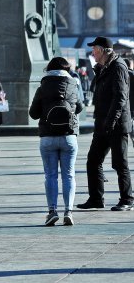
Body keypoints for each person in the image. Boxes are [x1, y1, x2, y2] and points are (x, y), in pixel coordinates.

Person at [77, 37, 133, 211]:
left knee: (119, 163)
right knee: (93, 160)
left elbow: (120, 98)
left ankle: (127, 199)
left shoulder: (118, 67)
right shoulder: (103, 68)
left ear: (102, 51)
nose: (92, 53)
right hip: (102, 123)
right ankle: (96, 199)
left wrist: (111, 121)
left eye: (94, 50)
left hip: (116, 124)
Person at [29, 57, 83, 226]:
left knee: (50, 175)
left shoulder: (43, 86)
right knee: (69, 175)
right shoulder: (73, 84)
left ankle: (52, 211)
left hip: (48, 137)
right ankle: (69, 211)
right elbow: (80, 107)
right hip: (68, 136)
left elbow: (33, 113)